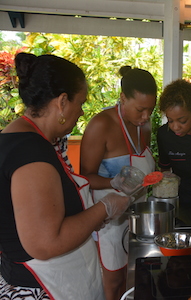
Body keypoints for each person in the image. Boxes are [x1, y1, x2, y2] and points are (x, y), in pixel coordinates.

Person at [0, 53, 130, 299]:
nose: (81, 112)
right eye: (80, 103)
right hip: (42, 288)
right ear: (62, 102)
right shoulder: (31, 153)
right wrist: (105, 207)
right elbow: (46, 242)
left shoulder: (25, 139)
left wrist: (89, 217)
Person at [80, 66, 157, 300]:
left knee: (135, 274)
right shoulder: (101, 125)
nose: (145, 117)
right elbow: (85, 179)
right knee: (113, 279)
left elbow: (144, 161)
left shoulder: (144, 126)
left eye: (150, 110)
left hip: (138, 212)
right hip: (110, 219)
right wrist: (112, 182)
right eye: (140, 110)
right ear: (123, 98)